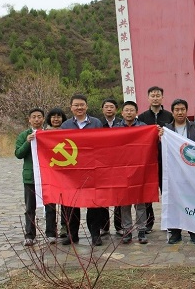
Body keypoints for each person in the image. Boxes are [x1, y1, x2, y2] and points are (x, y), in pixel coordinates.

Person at [59, 94, 103, 246]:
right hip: (72, 171)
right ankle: (72, 234)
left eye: (82, 105)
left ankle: (95, 234)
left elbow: (104, 143)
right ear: (71, 107)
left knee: (94, 203)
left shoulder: (96, 123)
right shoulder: (65, 125)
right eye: (76, 105)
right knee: (71, 203)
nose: (79, 107)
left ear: (87, 106)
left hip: (92, 169)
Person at [161, 98, 195, 244]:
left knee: (192, 200)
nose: (180, 112)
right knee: (174, 202)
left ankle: (194, 232)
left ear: (187, 111)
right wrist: (160, 138)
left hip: (192, 172)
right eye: (177, 110)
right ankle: (175, 232)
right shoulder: (166, 129)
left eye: (182, 109)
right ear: (172, 112)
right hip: (173, 172)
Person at [14, 108, 57, 246]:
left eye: (39, 117)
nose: (37, 119)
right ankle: (30, 235)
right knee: (30, 207)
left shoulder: (48, 134)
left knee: (50, 206)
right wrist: (27, 142)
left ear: (43, 119)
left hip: (48, 176)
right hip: (30, 177)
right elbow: (18, 154)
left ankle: (51, 233)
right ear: (29, 119)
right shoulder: (24, 135)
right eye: (34, 117)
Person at [137, 86, 174, 233]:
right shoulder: (142, 117)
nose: (155, 98)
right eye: (152, 95)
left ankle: (169, 221)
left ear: (162, 98)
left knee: (167, 191)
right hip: (148, 159)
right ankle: (149, 222)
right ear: (148, 98)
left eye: (158, 95)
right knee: (148, 191)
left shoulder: (169, 116)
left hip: (165, 159)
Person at [114, 101, 150, 244]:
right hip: (122, 170)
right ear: (122, 113)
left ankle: (142, 230)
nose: (129, 113)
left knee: (140, 202)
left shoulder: (143, 127)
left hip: (139, 169)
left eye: (132, 110)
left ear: (136, 113)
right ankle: (127, 230)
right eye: (126, 110)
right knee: (125, 203)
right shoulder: (116, 128)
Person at [99, 98, 123, 237]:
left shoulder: (121, 123)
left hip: (118, 164)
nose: (109, 109)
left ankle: (119, 226)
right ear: (102, 109)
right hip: (102, 165)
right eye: (106, 107)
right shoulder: (97, 124)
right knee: (103, 196)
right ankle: (104, 226)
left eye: (111, 107)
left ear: (116, 109)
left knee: (119, 196)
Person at [45, 107, 68, 240]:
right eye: (53, 116)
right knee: (50, 203)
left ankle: (65, 228)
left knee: (66, 202)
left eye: (59, 116)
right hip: (49, 173)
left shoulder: (69, 132)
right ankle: (50, 231)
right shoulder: (43, 134)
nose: (56, 119)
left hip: (66, 173)